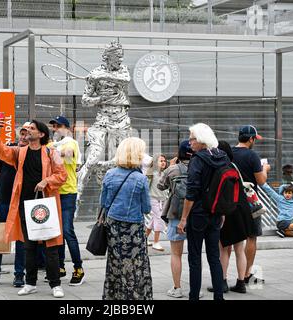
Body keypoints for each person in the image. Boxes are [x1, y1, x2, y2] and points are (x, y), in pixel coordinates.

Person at [0, 118, 68, 298]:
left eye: (32, 129)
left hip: (45, 205)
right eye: (26, 129)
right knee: (29, 247)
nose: (28, 131)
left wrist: (46, 181)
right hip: (25, 206)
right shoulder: (20, 152)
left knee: (51, 247)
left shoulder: (50, 151)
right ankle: (30, 283)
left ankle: (55, 285)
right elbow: (2, 151)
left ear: (41, 134)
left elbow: (61, 175)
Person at [77, 41, 132, 214]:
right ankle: (77, 194)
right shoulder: (94, 74)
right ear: (108, 57)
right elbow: (85, 100)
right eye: (118, 56)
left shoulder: (122, 70)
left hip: (122, 119)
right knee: (92, 158)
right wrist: (98, 99)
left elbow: (126, 79)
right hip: (103, 119)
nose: (121, 59)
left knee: (122, 160)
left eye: (122, 56)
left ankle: (115, 199)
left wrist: (102, 78)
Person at [177, 123, 228, 301]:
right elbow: (224, 189)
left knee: (195, 258)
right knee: (214, 256)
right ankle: (219, 296)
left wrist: (183, 219)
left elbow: (191, 192)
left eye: (192, 138)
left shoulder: (197, 160)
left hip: (198, 214)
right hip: (215, 213)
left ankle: (194, 297)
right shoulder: (223, 157)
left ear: (200, 140)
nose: (189, 142)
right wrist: (221, 211)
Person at [101, 137, 152, 300]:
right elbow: (147, 208)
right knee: (135, 264)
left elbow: (104, 202)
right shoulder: (140, 178)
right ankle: (134, 296)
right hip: (133, 229)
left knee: (115, 262)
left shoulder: (109, 174)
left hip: (114, 226)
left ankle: (114, 296)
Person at [0, 123, 29, 287]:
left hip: (24, 204)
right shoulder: (9, 149)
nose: (24, 137)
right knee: (0, 237)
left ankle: (19, 275)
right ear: (18, 135)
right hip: (4, 202)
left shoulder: (34, 154)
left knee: (21, 240)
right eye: (22, 133)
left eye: (27, 134)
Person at [207, 140, 253, 294]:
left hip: (226, 212)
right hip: (241, 211)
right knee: (239, 249)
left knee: (224, 249)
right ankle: (241, 283)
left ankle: (222, 282)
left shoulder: (218, 168)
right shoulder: (234, 166)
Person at [231, 125, 270, 285]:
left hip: (232, 201)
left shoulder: (229, 153)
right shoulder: (252, 155)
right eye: (255, 139)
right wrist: (265, 169)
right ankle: (247, 273)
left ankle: (226, 278)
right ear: (251, 139)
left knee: (232, 240)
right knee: (251, 237)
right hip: (250, 202)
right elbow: (261, 181)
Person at [49, 115, 85, 285]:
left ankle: (78, 268)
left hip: (68, 192)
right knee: (58, 232)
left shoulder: (71, 143)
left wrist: (52, 151)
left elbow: (69, 155)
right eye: (53, 127)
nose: (54, 129)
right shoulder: (54, 144)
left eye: (56, 126)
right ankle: (60, 266)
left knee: (67, 231)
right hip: (54, 192)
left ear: (63, 126)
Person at [157, 141, 196, 298]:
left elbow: (160, 186)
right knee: (195, 255)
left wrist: (169, 167)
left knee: (176, 254)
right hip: (195, 215)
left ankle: (177, 288)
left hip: (176, 215)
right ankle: (196, 288)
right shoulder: (200, 168)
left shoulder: (172, 169)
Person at [145, 154, 168, 251]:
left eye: (164, 161)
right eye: (161, 161)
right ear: (155, 163)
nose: (163, 162)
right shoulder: (151, 174)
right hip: (153, 199)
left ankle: (144, 239)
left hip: (162, 200)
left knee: (153, 220)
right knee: (159, 219)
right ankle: (156, 242)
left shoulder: (165, 173)